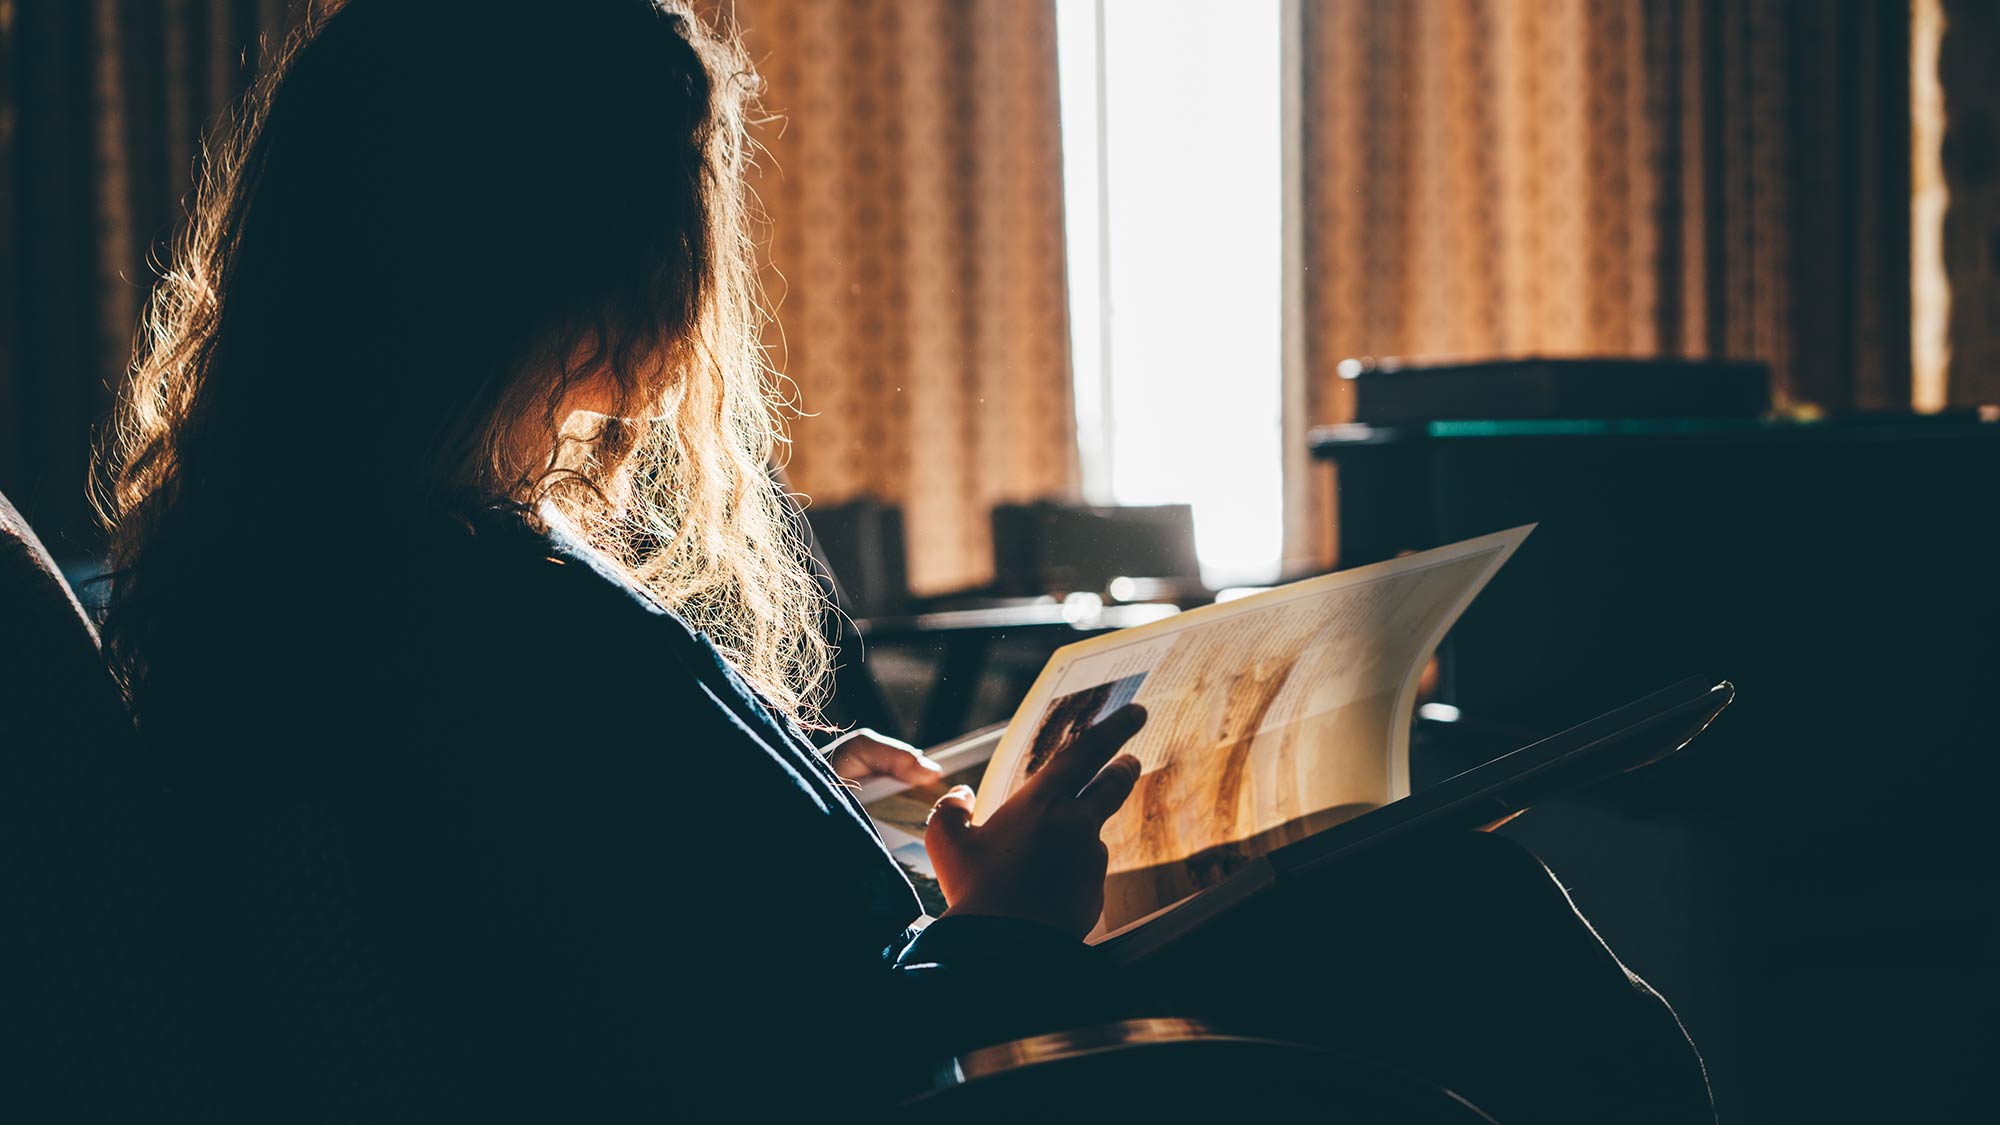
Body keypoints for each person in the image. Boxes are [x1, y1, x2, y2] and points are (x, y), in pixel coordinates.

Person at [79, 1, 1710, 1120]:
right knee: (1458, 916)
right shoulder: (482, 615)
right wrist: (1001, 922)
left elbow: (604, 915)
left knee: (1439, 907)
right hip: (924, 1053)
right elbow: (750, 1063)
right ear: (582, 260)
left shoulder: (339, 574)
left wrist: (803, 790)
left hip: (895, 997)